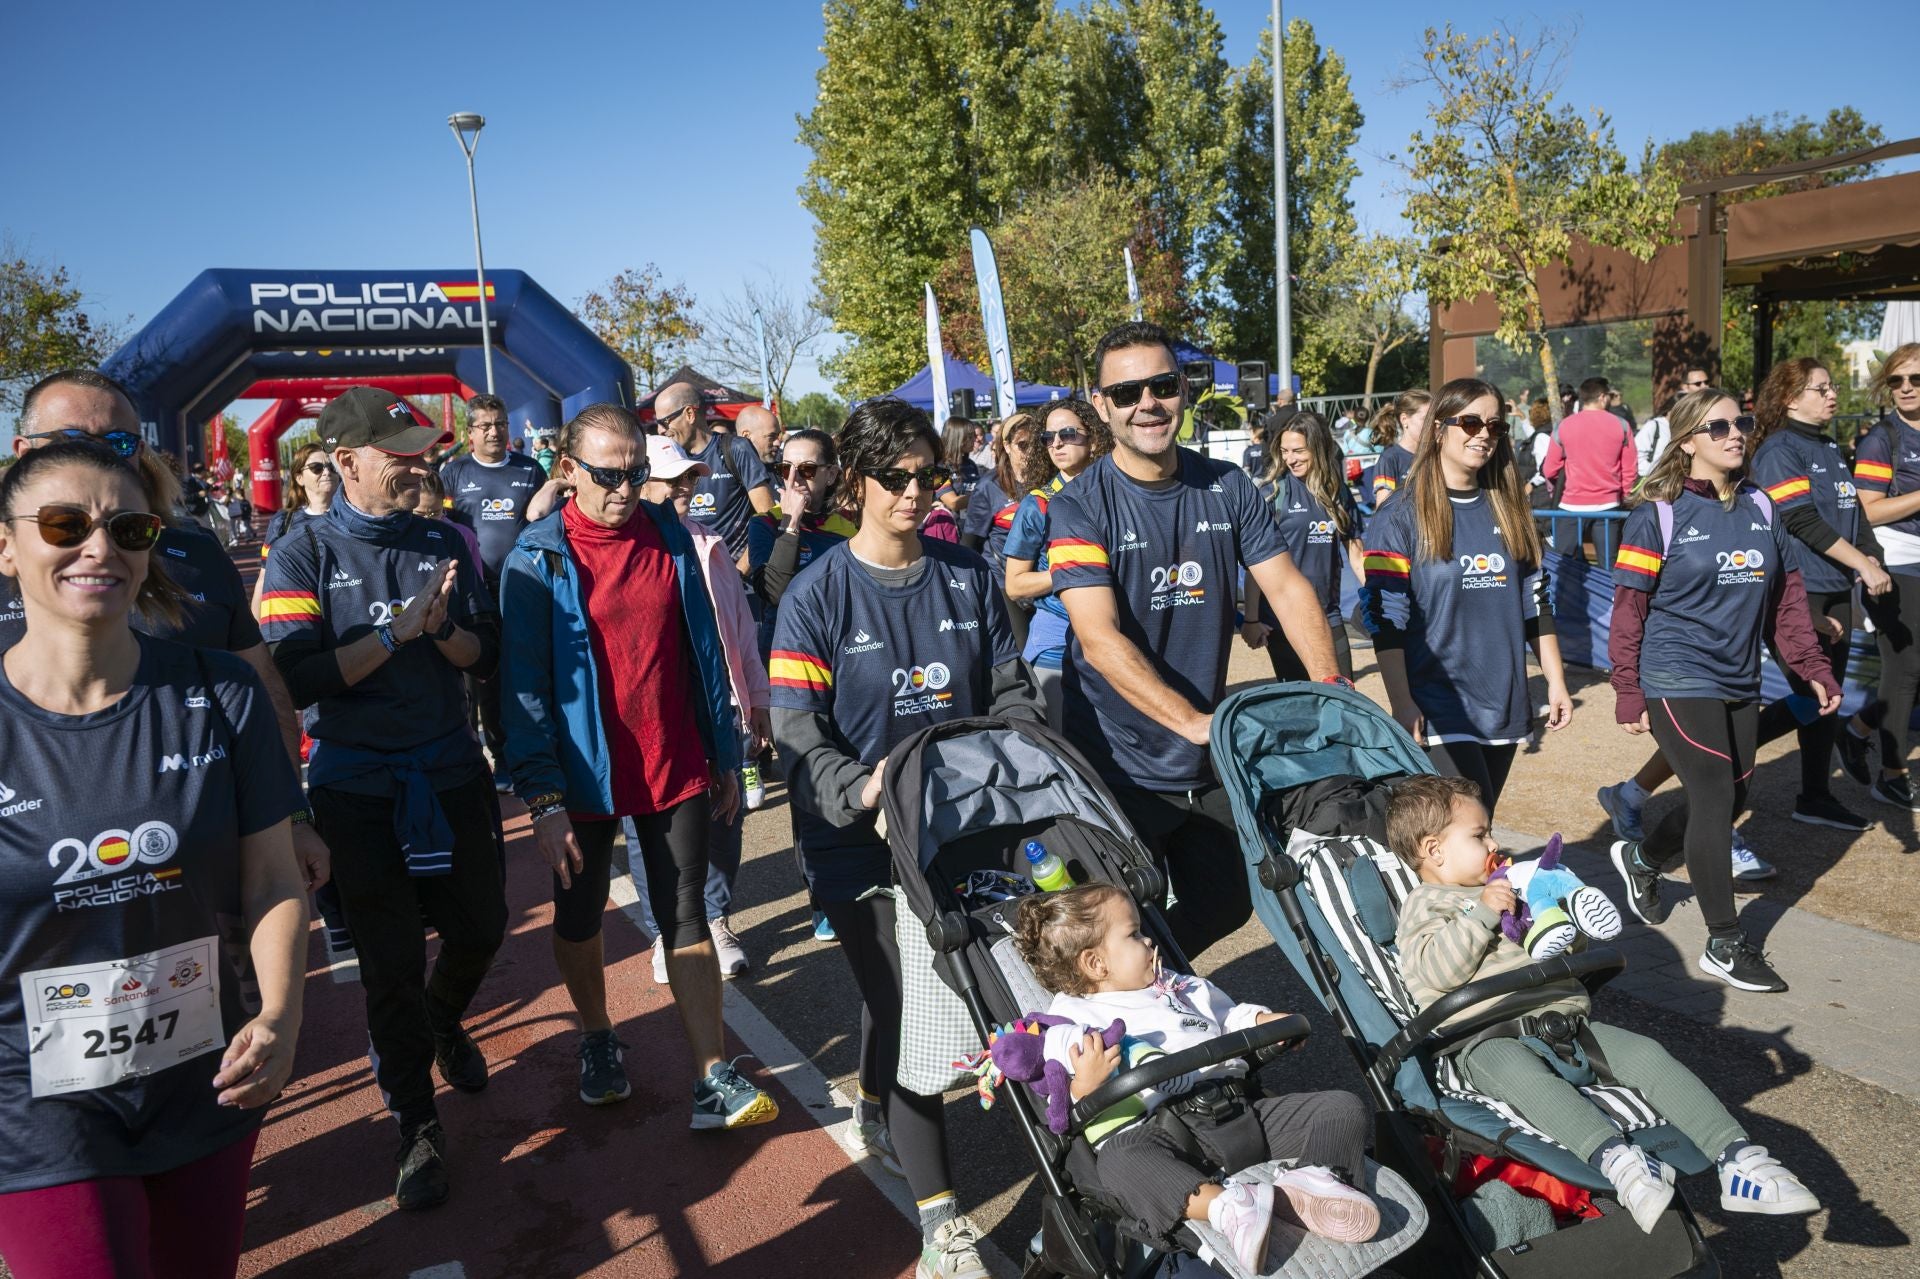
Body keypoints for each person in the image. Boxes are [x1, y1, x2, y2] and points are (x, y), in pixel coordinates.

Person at [0, 441, 309, 1279]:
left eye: (127, 527)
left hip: (205, 1079)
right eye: (64, 523)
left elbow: (275, 878)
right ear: (6, 545)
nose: (99, 547)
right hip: (33, 1102)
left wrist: (280, 1014)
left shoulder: (222, 693)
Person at [769, 398, 1043, 1279]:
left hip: (960, 831)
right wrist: (861, 789)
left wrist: (1013, 753)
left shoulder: (968, 575)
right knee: (916, 1007)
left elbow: (1011, 693)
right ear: (854, 482)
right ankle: (941, 1227)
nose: (917, 492)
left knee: (955, 994)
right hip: (855, 842)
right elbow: (798, 731)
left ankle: (880, 1101)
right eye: (896, 477)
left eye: (930, 475)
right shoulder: (815, 594)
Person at [260, 386, 506, 1211]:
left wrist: (438, 631)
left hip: (449, 772)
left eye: (420, 451)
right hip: (356, 788)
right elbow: (299, 677)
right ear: (346, 461)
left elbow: (482, 656)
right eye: (399, 454)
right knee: (391, 964)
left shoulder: (445, 539)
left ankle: (443, 1019)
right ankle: (416, 1123)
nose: (418, 465)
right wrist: (393, 635)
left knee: (480, 926)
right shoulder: (300, 553)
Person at [499, 404, 775, 1125]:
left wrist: (721, 748)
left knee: (688, 915)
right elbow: (521, 687)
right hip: (580, 775)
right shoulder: (534, 557)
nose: (625, 489)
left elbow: (705, 652)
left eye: (636, 473)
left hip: (673, 755)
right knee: (580, 912)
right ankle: (596, 1035)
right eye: (607, 475)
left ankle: (712, 1074)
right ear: (567, 472)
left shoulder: (671, 537)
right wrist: (542, 798)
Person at [1388, 775, 1821, 1230]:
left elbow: (1550, 951)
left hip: (1565, 1023)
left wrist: (1563, 927)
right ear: (1434, 850)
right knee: (1525, 1079)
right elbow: (1436, 971)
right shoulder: (1427, 904)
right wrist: (1482, 912)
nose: (1494, 842)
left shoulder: (1511, 887)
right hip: (1487, 1039)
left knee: (1647, 1054)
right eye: (1480, 835)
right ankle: (1620, 1162)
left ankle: (1739, 1160)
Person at [1049, 322, 1339, 959]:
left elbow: (1288, 589)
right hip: (1116, 762)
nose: (1146, 404)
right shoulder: (1078, 505)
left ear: (1183, 389)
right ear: (1100, 406)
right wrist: (1193, 722)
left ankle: (1161, 987)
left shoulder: (1229, 486)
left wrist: (1331, 683)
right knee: (1120, 927)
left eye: (1161, 385)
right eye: (1125, 393)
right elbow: (1098, 638)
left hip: (1205, 754)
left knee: (1229, 900)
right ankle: (1131, 1023)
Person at [8, 371, 324, 895]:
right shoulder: (13, 556)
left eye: (118, 442)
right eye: (71, 441)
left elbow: (261, 683)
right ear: (23, 450)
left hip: (206, 861)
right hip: (40, 884)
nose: (100, 457)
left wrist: (292, 815)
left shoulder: (195, 550)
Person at [1598, 359, 1891, 845]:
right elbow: (1804, 523)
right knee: (1726, 737)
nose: (1832, 396)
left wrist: (1848, 576)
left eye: (1741, 423)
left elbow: (1847, 519)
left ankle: (1645, 794)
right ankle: (1718, 815)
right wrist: (1861, 564)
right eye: (1820, 388)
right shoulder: (1776, 455)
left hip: (1794, 600)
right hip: (1762, 610)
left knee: (1799, 703)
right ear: (1791, 396)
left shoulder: (1823, 452)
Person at [1011, 884, 1378, 1270]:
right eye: (1134, 934)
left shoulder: (1179, 987)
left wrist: (1262, 1020)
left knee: (1341, 1108)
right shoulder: (1073, 1016)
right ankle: (1227, 1208)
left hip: (1239, 1107)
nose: (1149, 938)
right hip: (1160, 1132)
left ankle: (1310, 1184)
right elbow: (1060, 1100)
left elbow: (1228, 1016)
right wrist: (1085, 1084)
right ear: (1096, 964)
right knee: (1120, 1163)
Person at [1606, 389, 1837, 992]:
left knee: (1731, 799)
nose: (1736, 433)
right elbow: (1629, 610)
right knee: (1712, 795)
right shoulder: (1657, 513)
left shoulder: (1762, 505)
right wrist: (1627, 688)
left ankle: (1644, 857)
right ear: (1687, 442)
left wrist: (1812, 664)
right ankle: (1725, 943)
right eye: (1719, 426)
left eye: (1742, 422)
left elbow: (1786, 599)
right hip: (1675, 676)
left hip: (1738, 678)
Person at [1363, 378, 1574, 817]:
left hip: (1503, 700)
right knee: (1466, 827)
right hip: (1438, 702)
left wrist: (1555, 680)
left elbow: (1535, 602)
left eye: (1494, 426)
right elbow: (1386, 618)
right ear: (1438, 428)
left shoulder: (1510, 509)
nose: (1483, 434)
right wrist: (1402, 701)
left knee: (1478, 824)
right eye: (1471, 422)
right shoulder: (1399, 514)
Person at [631, 433, 771, 982]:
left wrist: (755, 700)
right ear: (641, 482)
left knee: (724, 816)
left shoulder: (709, 543)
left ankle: (714, 917)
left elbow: (742, 630)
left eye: (690, 477)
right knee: (651, 829)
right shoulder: (626, 547)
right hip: (650, 718)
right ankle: (666, 931)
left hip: (721, 707)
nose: (687, 487)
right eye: (674, 478)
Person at [746, 428, 856, 943]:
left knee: (852, 774)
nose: (793, 479)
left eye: (807, 470)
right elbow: (775, 589)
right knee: (808, 788)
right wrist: (789, 521)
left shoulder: (847, 529)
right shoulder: (764, 525)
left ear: (832, 473)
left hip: (847, 672)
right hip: (791, 676)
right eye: (783, 470)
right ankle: (823, 898)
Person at [439, 394, 555, 791]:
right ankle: (494, 757)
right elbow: (443, 529)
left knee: (526, 670)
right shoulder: (452, 473)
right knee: (482, 677)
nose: (494, 431)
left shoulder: (529, 470)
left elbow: (547, 524)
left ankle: (531, 753)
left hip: (523, 588)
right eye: (485, 425)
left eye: (501, 423)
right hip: (474, 592)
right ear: (470, 433)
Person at [1840, 344, 1920, 807]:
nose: (1906, 388)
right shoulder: (1881, 438)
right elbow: (1868, 509)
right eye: (1896, 380)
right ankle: (1892, 773)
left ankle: (1857, 730)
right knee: (1905, 666)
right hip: (1892, 562)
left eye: (1915, 379)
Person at [1003, 398, 1112, 727]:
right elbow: (1015, 584)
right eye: (1048, 438)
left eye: (1067, 433)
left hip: (1117, 643)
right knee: (1068, 755)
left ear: (1093, 438)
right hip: (1057, 649)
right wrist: (1072, 570)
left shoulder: (1119, 495)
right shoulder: (1038, 504)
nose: (1057, 443)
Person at [1244, 412, 1365, 682]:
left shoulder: (1337, 492)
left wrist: (1375, 594)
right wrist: (1251, 619)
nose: (1290, 459)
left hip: (1329, 613)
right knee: (1301, 706)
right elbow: (1256, 564)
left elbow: (1356, 551)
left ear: (1318, 448)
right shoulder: (1272, 493)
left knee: (1343, 696)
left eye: (1299, 450)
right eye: (1285, 451)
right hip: (1284, 618)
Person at [654, 381, 776, 570]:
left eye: (664, 421)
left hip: (740, 580)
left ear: (689, 414)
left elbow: (767, 515)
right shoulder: (672, 459)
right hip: (696, 580)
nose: (660, 430)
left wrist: (739, 573)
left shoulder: (735, 449)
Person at [1540, 377, 1638, 564]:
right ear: (1602, 397)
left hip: (1570, 507)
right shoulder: (1622, 425)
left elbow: (1550, 469)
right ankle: (1608, 595)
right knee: (1608, 565)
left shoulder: (1564, 426)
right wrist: (1625, 496)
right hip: (1608, 507)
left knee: (1564, 565)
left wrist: (1555, 490)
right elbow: (1629, 470)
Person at [1635, 366, 1713, 473]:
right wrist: (1657, 474)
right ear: (1685, 387)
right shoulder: (1656, 425)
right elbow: (1637, 456)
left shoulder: (1712, 414)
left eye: (1707, 382)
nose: (1705, 386)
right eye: (1698, 384)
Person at [1363, 389, 1432, 508]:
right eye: (1426, 418)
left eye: (1434, 418)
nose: (1432, 423)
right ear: (1404, 419)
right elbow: (1384, 510)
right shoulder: (1389, 459)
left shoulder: (1436, 453)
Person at [413, 470, 483, 568]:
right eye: (420, 514)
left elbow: (476, 580)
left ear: (443, 504)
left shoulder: (463, 535)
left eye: (435, 513)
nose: (427, 520)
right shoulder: (397, 537)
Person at [936, 416, 981, 519]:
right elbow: (953, 503)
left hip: (973, 526)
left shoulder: (970, 464)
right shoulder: (938, 469)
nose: (975, 439)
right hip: (951, 529)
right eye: (970, 436)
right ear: (957, 438)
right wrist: (985, 496)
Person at [736, 404, 784, 469]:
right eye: (771, 436)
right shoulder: (726, 474)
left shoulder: (781, 471)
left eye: (777, 436)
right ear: (746, 437)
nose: (778, 443)